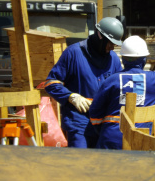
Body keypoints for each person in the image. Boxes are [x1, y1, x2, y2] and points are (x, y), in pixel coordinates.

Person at [89, 35, 155, 149]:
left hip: (111, 140)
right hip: (141, 141)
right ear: (144, 59)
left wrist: (102, 130)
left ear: (123, 58)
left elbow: (94, 112)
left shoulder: (111, 80)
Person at [44, 17, 124, 148]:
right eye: (109, 42)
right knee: (79, 163)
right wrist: (71, 97)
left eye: (114, 44)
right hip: (79, 123)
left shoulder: (113, 59)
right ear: (99, 36)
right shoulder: (73, 53)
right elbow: (51, 83)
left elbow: (118, 88)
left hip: (104, 124)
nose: (111, 47)